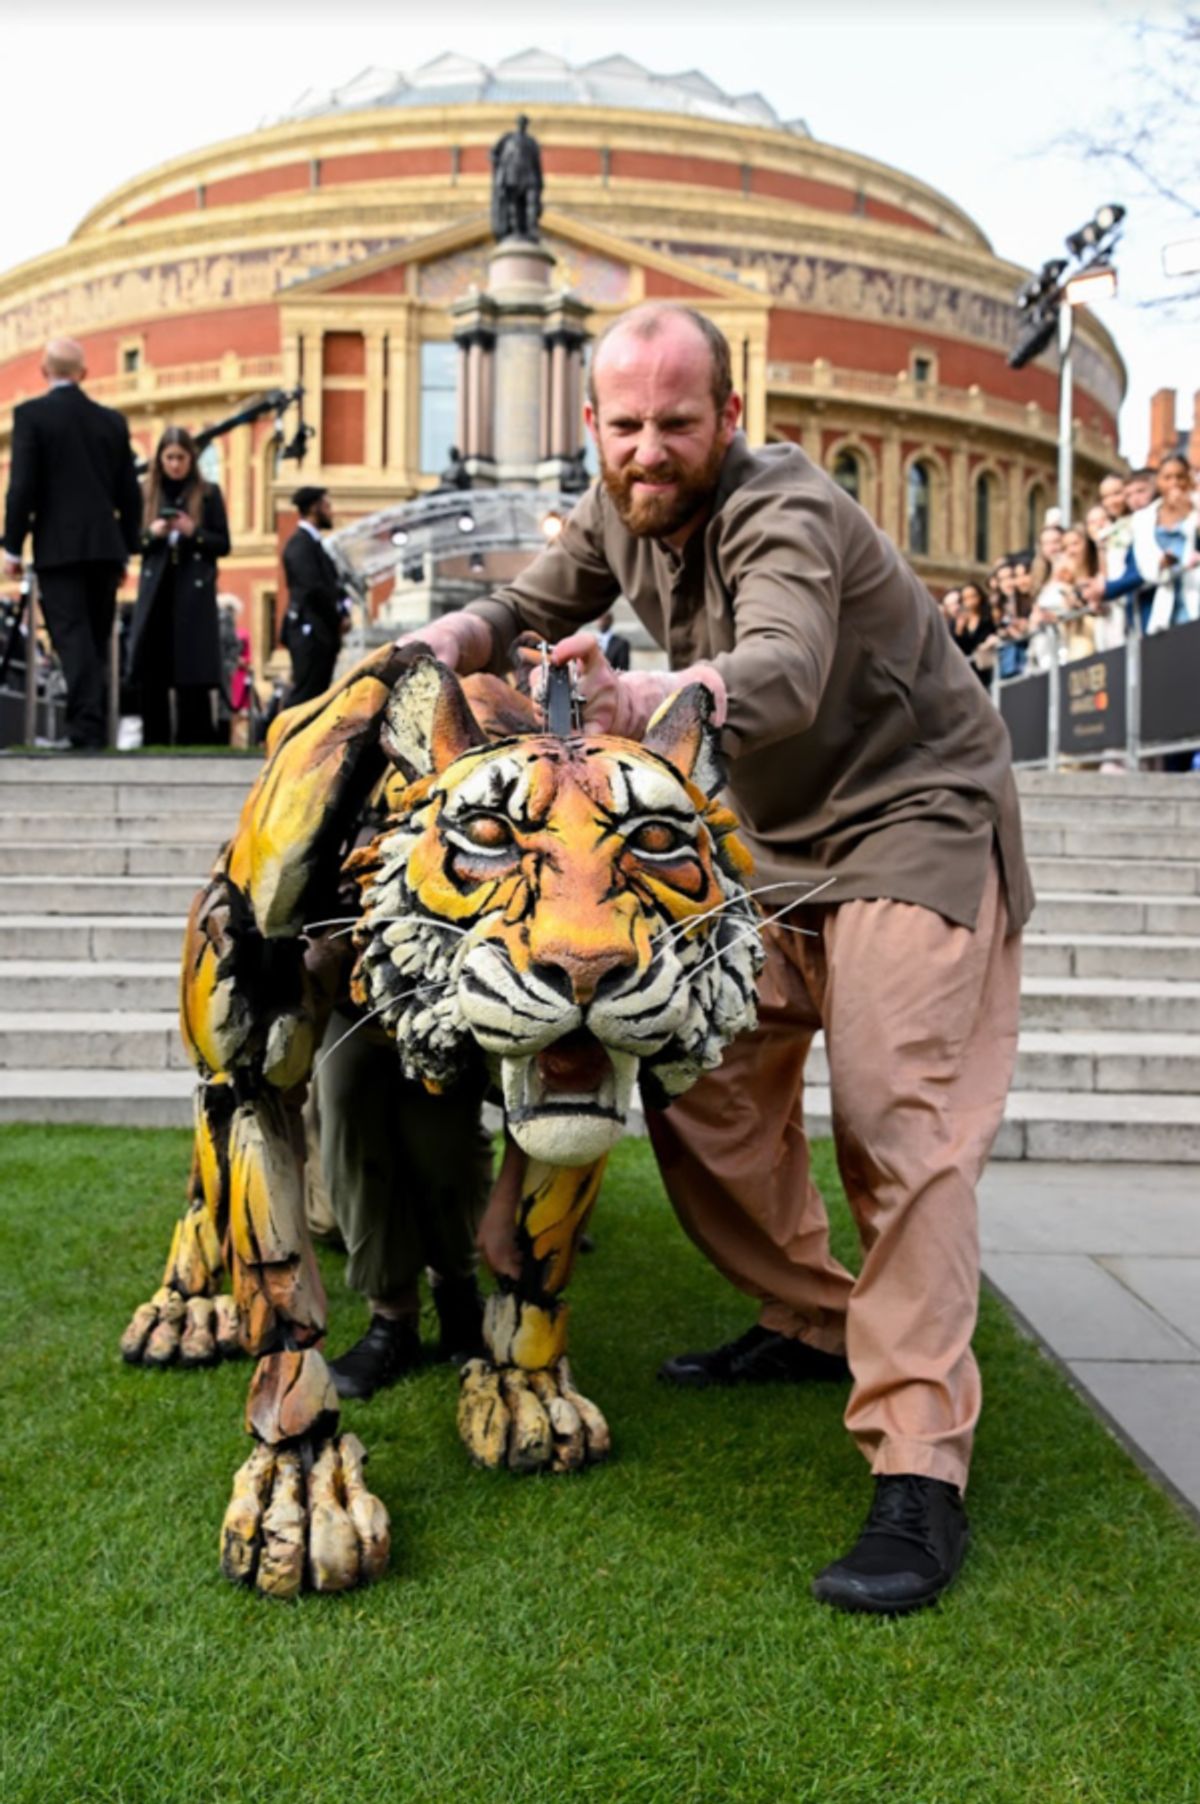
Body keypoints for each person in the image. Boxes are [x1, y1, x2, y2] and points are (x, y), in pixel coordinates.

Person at [401, 302, 1032, 1617]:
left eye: (676, 423)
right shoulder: (615, 502)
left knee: (889, 1115)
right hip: (769, 845)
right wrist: (444, 647)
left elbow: (787, 666)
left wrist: (648, 698)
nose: (647, 450)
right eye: (624, 425)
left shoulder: (780, 508)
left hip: (915, 818)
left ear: (728, 420)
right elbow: (530, 601)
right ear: (595, 427)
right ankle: (819, 1316)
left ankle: (920, 1463)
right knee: (692, 1080)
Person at [2, 336, 142, 749]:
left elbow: (21, 485)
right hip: (104, 547)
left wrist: (12, 546)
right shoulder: (111, 421)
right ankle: (92, 727)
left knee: (72, 637)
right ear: (84, 374)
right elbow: (129, 492)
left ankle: (87, 732)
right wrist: (127, 548)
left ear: (45, 372)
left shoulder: (32, 415)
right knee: (95, 640)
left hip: (58, 548)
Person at [126, 427, 230, 745]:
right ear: (160, 458)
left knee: (192, 669)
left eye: (180, 457)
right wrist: (152, 533)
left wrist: (193, 531)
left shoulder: (208, 493)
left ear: (191, 459)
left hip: (192, 594)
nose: (174, 464)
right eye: (169, 457)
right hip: (156, 592)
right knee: (153, 671)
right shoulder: (147, 493)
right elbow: (132, 542)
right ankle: (154, 739)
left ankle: (195, 738)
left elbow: (222, 544)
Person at [1083, 454, 1200, 635]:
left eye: (1180, 477)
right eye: (1167, 478)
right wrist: (1159, 564)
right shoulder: (1143, 520)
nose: (1174, 483)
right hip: (1163, 610)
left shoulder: (1196, 508)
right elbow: (1137, 567)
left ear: (1189, 478)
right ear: (1159, 483)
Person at [282, 486, 346, 705]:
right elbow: (313, 588)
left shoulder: (315, 545)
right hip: (310, 632)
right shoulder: (300, 545)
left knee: (317, 693)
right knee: (305, 695)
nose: (331, 512)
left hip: (320, 632)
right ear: (313, 508)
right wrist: (338, 617)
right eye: (327, 506)